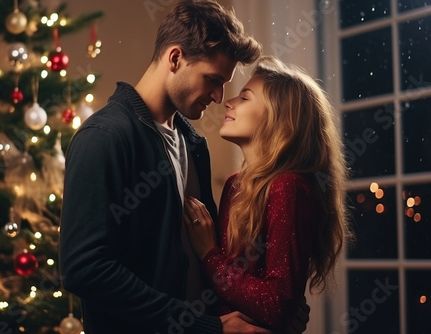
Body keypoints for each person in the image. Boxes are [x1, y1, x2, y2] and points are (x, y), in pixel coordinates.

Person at [58, 0, 281, 333]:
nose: (219, 96)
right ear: (175, 58)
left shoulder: (194, 144)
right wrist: (203, 326)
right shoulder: (104, 137)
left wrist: (274, 308)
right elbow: (84, 268)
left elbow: (202, 260)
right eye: (213, 79)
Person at [183, 55, 352, 333]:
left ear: (280, 120)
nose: (228, 102)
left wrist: (209, 254)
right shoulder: (234, 185)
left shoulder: (288, 187)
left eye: (245, 98)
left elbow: (275, 304)